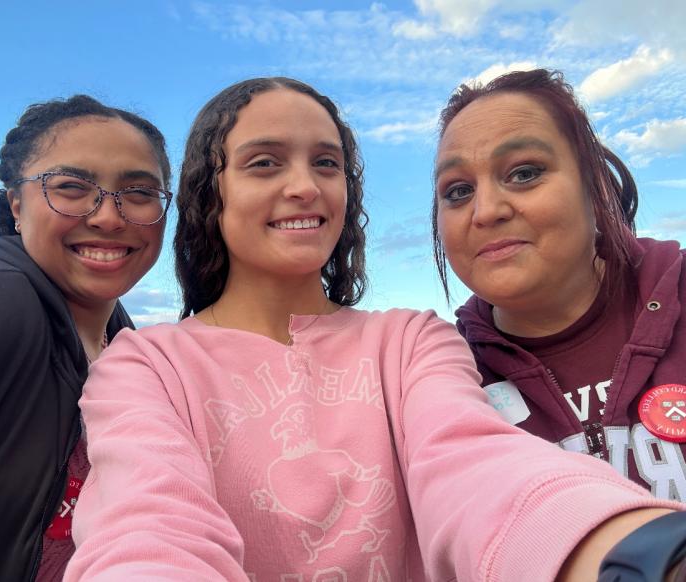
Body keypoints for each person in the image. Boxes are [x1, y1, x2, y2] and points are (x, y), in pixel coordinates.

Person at [65, 77, 682, 582]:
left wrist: (631, 550)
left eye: (326, 163)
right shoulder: (143, 366)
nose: (304, 186)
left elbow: (474, 466)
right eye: (263, 163)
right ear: (210, 192)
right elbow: (145, 525)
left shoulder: (413, 342)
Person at [0, 95, 172, 582]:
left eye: (140, 192)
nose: (108, 216)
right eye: (72, 187)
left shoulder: (124, 343)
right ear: (17, 204)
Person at [432, 68, 686, 504]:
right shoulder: (441, 385)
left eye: (525, 172)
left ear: (594, 184)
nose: (486, 211)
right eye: (457, 191)